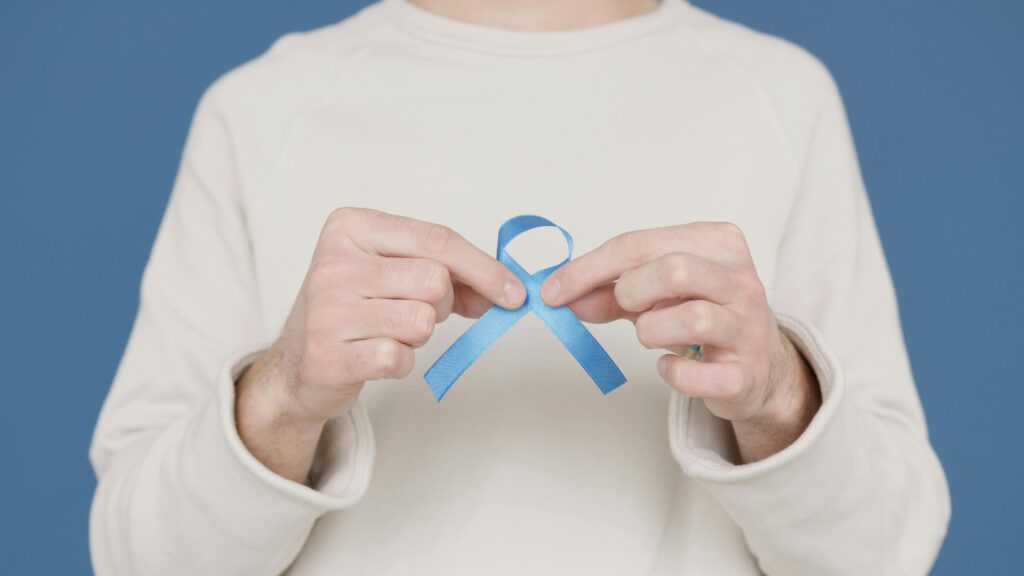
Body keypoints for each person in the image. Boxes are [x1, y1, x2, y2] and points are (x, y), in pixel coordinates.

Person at [88, 0, 951, 574]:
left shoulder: (781, 100)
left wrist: (779, 396)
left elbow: (885, 554)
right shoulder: (262, 112)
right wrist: (278, 397)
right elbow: (138, 560)